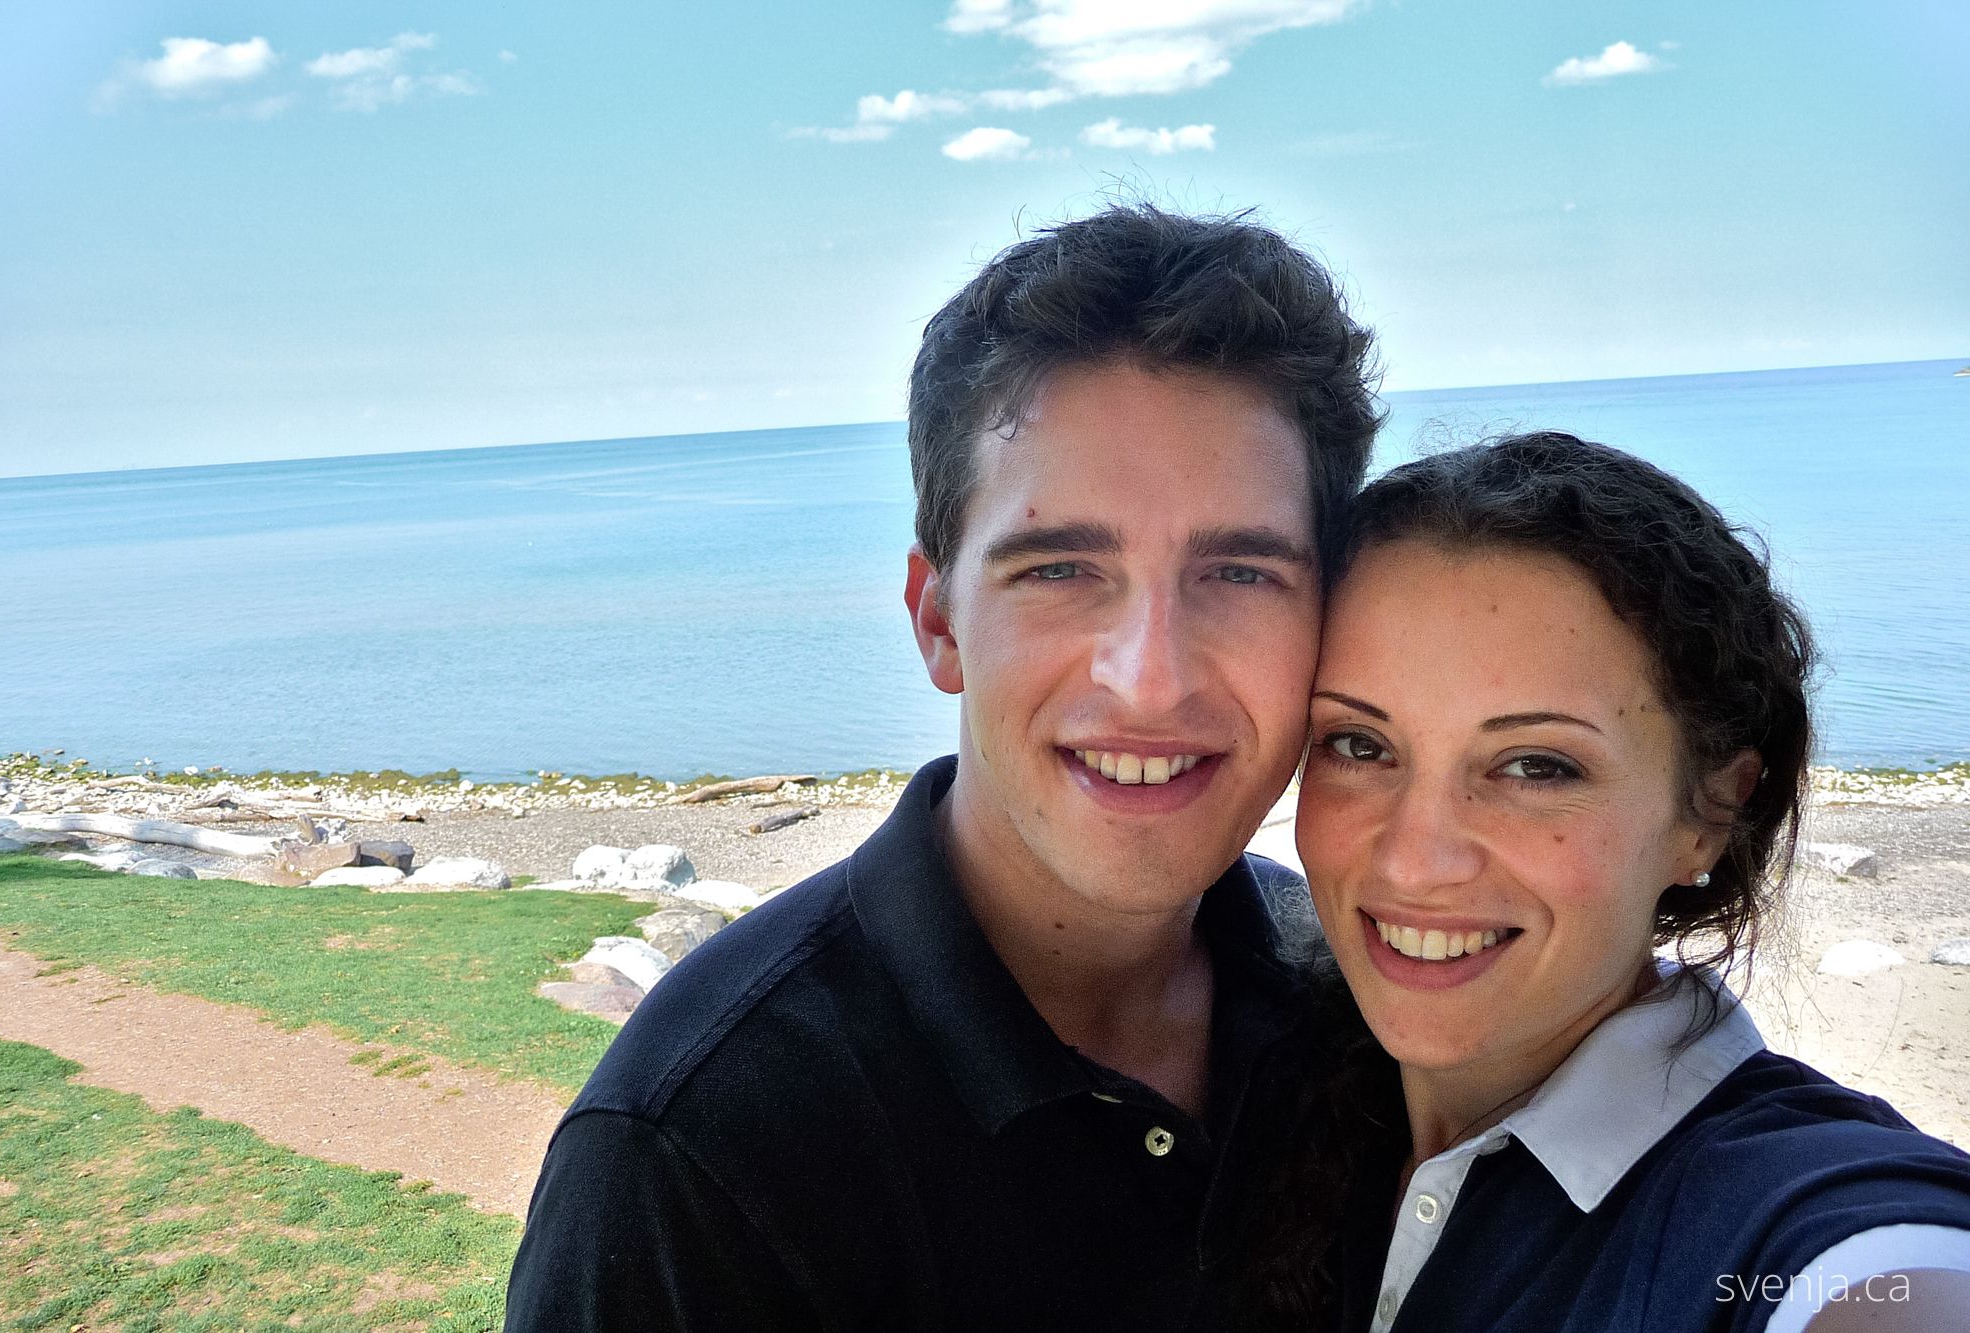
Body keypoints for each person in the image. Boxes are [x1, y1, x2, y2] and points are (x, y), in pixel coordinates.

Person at [502, 204, 1384, 1330]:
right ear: (938, 622)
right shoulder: (696, 1159)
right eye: (1060, 568)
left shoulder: (1348, 998)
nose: (1150, 678)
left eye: (1241, 573)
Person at [1242, 432, 1970, 1331]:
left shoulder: (1793, 1222)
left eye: (1537, 766)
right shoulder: (1275, 1086)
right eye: (1359, 744)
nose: (1412, 860)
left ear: (1709, 812)